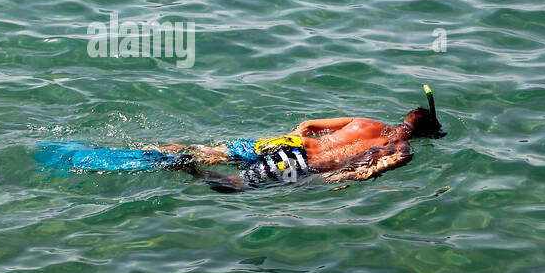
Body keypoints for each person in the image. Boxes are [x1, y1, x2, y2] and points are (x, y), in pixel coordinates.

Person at [158, 86, 445, 192]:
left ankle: (167, 150)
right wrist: (343, 179)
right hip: (300, 162)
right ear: (423, 134)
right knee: (238, 184)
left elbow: (307, 125)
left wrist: (292, 137)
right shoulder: (402, 150)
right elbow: (368, 171)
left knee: (217, 151)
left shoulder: (363, 121)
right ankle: (190, 169)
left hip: (290, 142)